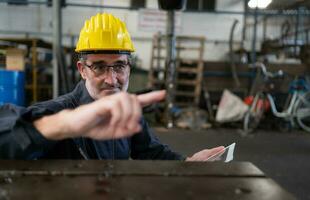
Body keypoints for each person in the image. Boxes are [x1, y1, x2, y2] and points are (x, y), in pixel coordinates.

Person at [0, 13, 224, 160]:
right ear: (82, 69)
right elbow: (6, 140)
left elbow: (151, 152)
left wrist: (187, 163)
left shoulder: (128, 111)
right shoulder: (60, 112)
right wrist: (61, 125)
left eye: (119, 66)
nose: (111, 79)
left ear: (129, 67)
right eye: (99, 67)